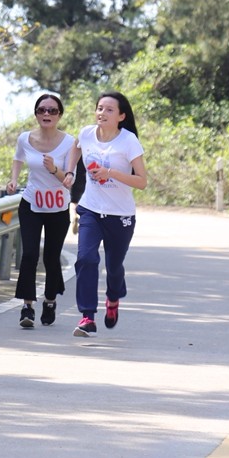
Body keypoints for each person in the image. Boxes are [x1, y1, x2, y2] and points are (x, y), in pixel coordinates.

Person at [62, 91, 148, 337]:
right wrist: (70, 172)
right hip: (90, 209)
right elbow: (75, 149)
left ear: (121, 116)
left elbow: (142, 182)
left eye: (109, 110)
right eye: (100, 108)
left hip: (120, 215)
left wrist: (111, 173)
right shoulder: (87, 133)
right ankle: (87, 316)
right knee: (86, 259)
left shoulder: (128, 141)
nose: (102, 113)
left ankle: (113, 297)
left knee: (114, 266)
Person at [6, 93, 75, 328]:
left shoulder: (70, 142)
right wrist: (13, 180)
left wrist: (55, 169)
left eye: (52, 111)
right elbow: (17, 159)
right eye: (42, 110)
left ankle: (50, 300)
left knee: (51, 257)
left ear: (59, 115)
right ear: (36, 114)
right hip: (32, 203)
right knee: (29, 254)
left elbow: (69, 178)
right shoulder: (25, 138)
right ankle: (27, 306)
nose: (47, 114)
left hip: (57, 206)